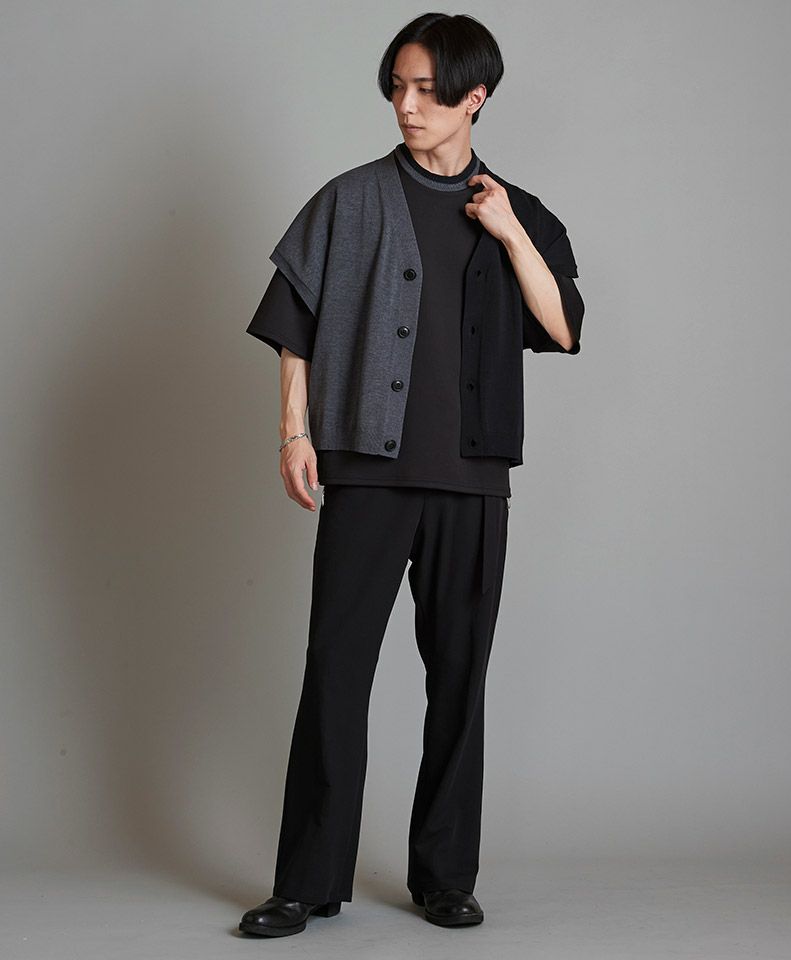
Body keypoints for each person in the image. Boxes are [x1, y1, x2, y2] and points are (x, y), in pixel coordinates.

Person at [238, 12, 585, 938]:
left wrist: (510, 233)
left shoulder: (518, 208)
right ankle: (305, 883)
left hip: (472, 478)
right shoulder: (350, 200)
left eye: (427, 89)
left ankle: (444, 877)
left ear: (476, 97)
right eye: (397, 85)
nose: (406, 104)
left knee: (459, 681)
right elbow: (294, 320)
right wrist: (294, 433)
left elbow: (563, 326)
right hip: (368, 472)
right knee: (335, 672)